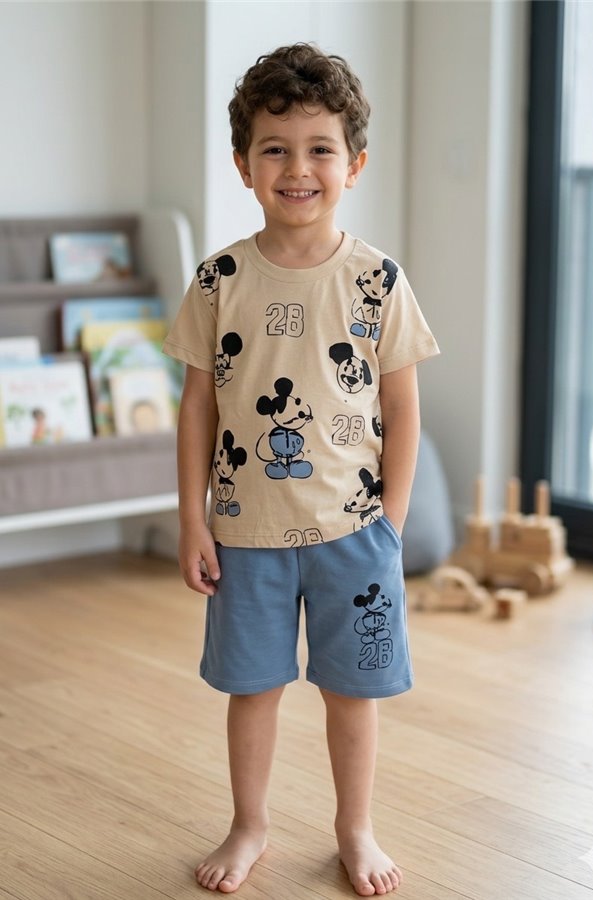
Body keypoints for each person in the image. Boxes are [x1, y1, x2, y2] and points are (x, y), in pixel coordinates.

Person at [163, 43, 439, 896]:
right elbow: (198, 407)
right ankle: (249, 824)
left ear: (354, 164)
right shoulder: (219, 279)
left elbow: (402, 408)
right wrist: (192, 518)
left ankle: (355, 828)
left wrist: (391, 523)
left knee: (353, 693)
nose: (297, 168)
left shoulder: (377, 280)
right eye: (275, 149)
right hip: (245, 534)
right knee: (253, 688)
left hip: (356, 535)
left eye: (320, 148)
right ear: (243, 164)